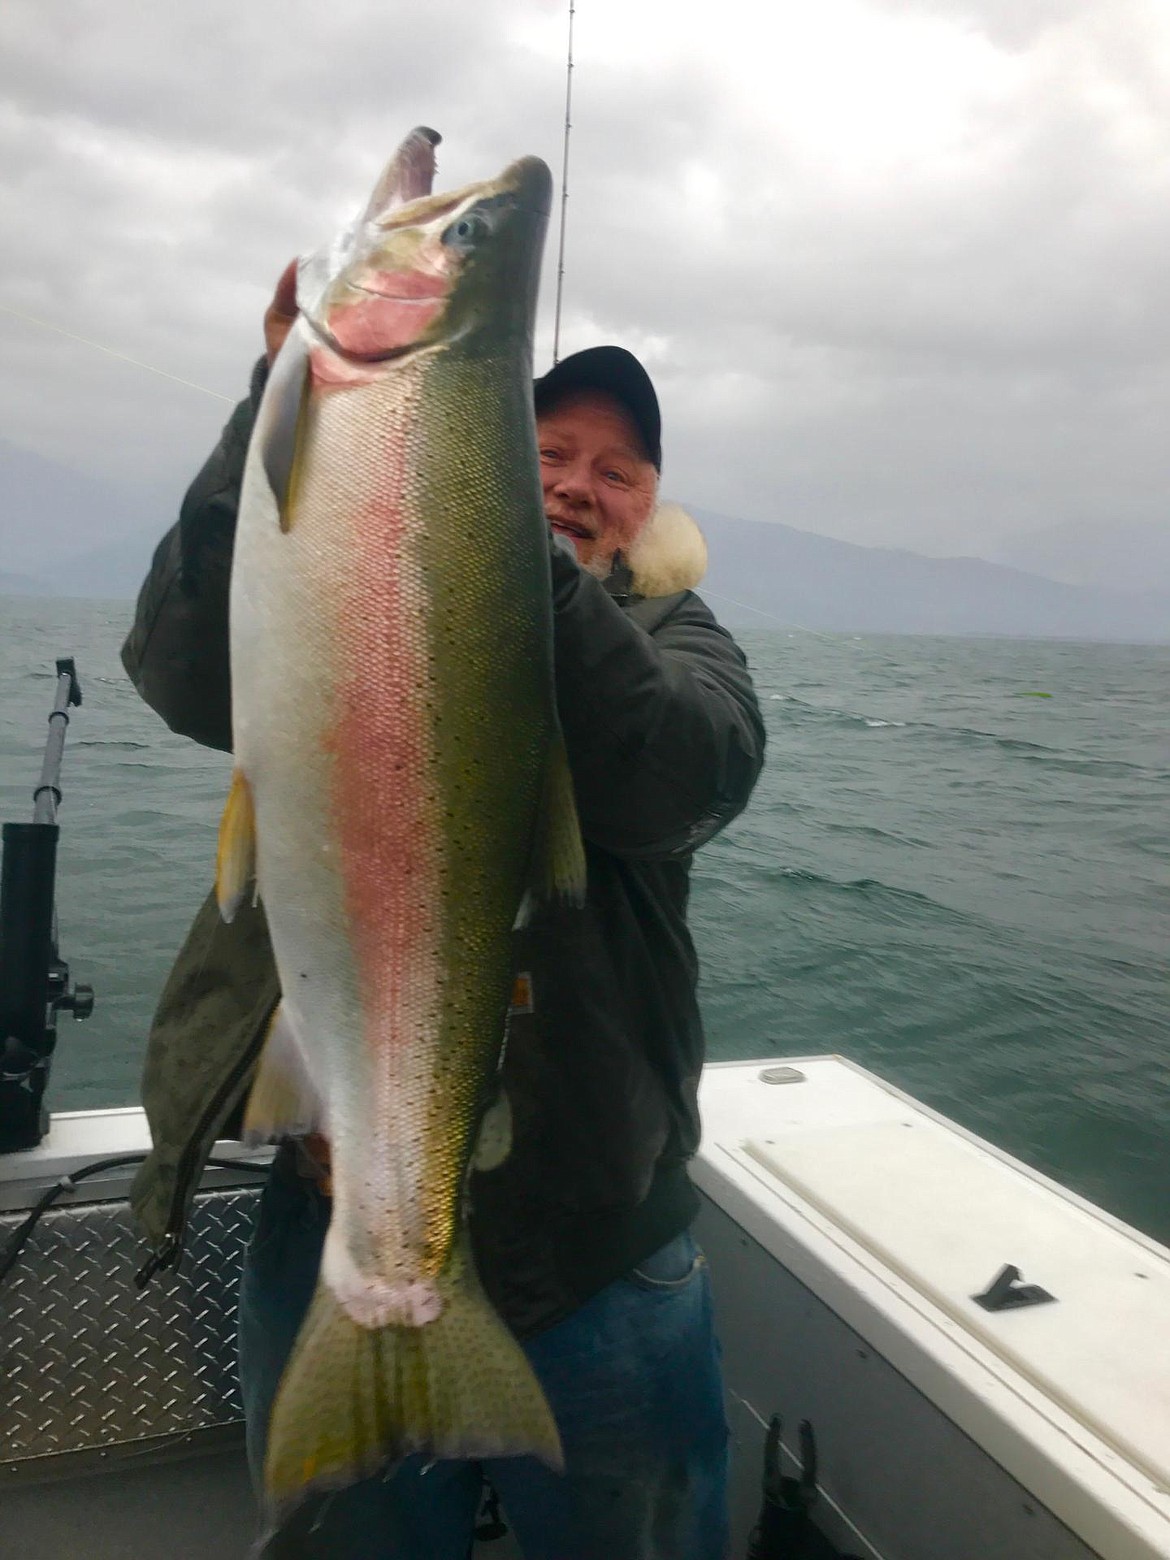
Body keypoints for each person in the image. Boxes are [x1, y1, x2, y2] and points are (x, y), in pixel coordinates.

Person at [121, 261, 766, 1559]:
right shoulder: (340, 587)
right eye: (546, 451)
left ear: (650, 511)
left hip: (599, 1243)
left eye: (620, 470)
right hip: (333, 1206)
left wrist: (506, 560)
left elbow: (684, 773)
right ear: (471, 448)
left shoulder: (679, 644)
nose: (582, 483)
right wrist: (283, 413)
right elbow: (184, 674)